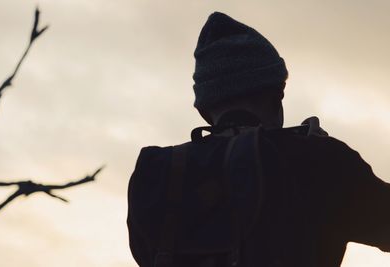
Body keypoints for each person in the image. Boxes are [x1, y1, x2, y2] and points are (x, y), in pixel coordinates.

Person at [127, 12, 390, 267]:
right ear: (277, 95)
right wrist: (323, 156)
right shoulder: (322, 161)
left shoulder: (155, 176)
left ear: (205, 109)